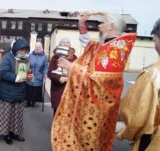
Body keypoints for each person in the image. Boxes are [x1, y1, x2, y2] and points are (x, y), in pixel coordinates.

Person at [51, 12, 137, 151]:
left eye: (102, 23)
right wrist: (81, 25)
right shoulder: (105, 45)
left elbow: (99, 79)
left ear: (112, 26)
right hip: (89, 105)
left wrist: (71, 67)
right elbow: (88, 42)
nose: (99, 26)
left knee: (92, 143)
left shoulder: (116, 50)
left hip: (99, 110)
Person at [117, 18, 160, 151]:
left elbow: (136, 115)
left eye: (155, 40)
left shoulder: (153, 74)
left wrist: (125, 133)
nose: (154, 44)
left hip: (152, 139)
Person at [0, 38, 33, 145]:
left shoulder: (24, 59)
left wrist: (29, 75)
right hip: (8, 92)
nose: (23, 52)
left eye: (25, 50)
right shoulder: (7, 57)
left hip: (20, 92)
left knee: (17, 115)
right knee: (7, 115)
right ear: (16, 48)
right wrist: (15, 78)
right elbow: (2, 72)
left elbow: (25, 72)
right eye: (21, 50)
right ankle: (6, 134)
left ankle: (14, 133)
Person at [47, 37, 77, 115]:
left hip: (70, 89)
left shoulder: (75, 58)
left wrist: (68, 77)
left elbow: (77, 72)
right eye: (63, 42)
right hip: (58, 89)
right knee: (58, 112)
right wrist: (59, 78)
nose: (65, 44)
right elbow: (50, 73)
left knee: (69, 112)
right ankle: (56, 127)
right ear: (59, 45)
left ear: (70, 45)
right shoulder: (55, 58)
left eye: (67, 42)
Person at [26, 42, 48, 107]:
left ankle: (33, 102)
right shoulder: (30, 55)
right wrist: (27, 70)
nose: (37, 49)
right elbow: (27, 63)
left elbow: (45, 66)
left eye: (39, 48)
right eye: (36, 48)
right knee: (29, 88)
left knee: (35, 89)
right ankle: (28, 102)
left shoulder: (44, 56)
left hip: (38, 76)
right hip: (30, 74)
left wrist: (45, 74)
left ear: (41, 48)